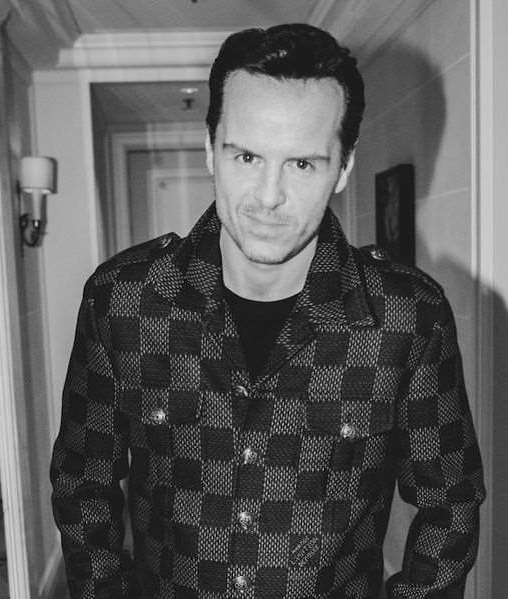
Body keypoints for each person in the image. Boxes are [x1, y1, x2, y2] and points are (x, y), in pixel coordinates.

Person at [51, 23, 484, 598]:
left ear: (342, 168)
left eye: (302, 164)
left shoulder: (408, 317)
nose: (269, 196)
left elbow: (450, 504)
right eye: (247, 156)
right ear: (210, 148)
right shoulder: (122, 301)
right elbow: (83, 484)